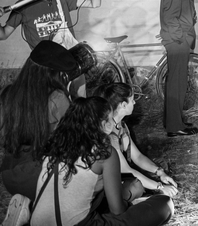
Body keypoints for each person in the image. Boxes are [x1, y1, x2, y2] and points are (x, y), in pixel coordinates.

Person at [30, 97, 174, 226]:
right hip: (82, 223)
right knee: (165, 204)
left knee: (131, 187)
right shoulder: (105, 153)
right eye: (111, 118)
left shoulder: (55, 148)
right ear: (105, 125)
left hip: (37, 222)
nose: (113, 121)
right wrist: (128, 201)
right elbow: (117, 210)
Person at [0, 0, 106, 98]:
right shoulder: (23, 7)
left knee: (80, 106)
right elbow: (3, 34)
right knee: (55, 109)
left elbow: (95, 2)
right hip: (46, 72)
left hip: (72, 64)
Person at [0, 41, 76, 203]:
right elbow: (73, 139)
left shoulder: (8, 93)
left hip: (9, 174)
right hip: (42, 176)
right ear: (56, 74)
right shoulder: (57, 98)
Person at [94, 83, 179, 199]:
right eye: (132, 100)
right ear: (123, 105)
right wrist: (160, 187)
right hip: (102, 184)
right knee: (135, 187)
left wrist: (160, 172)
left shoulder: (121, 126)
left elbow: (137, 157)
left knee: (154, 170)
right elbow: (125, 169)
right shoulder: (109, 133)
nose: (134, 103)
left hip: (117, 176)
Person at [159, 0, 198, 137]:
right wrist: (180, 39)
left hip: (179, 40)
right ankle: (175, 126)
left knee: (177, 83)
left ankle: (174, 121)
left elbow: (180, 11)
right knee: (176, 84)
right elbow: (169, 17)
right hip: (178, 42)